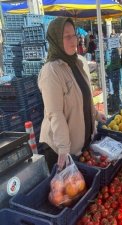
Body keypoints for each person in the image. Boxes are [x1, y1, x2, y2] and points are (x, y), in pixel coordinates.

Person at [38, 17, 106, 171]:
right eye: (67, 36)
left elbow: (84, 96)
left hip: (81, 145)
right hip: (61, 151)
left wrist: (95, 114)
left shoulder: (78, 63)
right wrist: (63, 149)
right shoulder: (51, 71)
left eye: (74, 35)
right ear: (55, 39)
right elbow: (55, 113)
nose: (73, 40)